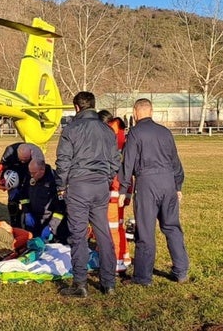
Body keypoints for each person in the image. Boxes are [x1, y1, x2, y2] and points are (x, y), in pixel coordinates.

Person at [55, 91, 120, 297]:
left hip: (78, 185)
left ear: (76, 107)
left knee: (78, 234)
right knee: (103, 233)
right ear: (93, 105)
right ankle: (108, 282)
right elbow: (115, 161)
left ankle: (80, 283)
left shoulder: (71, 128)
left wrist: (61, 185)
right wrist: (106, 178)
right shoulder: (107, 130)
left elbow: (63, 160)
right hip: (100, 185)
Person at [117, 98, 189, 286]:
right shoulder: (165, 132)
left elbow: (128, 162)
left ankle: (142, 277)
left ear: (135, 112)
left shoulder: (135, 133)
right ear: (152, 111)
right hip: (168, 181)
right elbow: (175, 162)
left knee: (145, 231)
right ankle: (181, 271)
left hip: (147, 183)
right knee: (172, 227)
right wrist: (177, 186)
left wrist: (124, 189)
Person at [98, 110, 132, 272]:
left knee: (111, 228)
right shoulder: (119, 138)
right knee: (117, 226)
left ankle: (117, 261)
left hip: (112, 190)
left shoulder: (109, 139)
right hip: (121, 190)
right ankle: (122, 256)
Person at [21, 158, 67, 244]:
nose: (31, 176)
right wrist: (27, 212)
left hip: (49, 220)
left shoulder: (56, 181)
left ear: (42, 170)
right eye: (30, 172)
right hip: (33, 219)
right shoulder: (30, 175)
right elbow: (24, 196)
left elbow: (61, 207)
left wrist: (51, 226)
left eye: (34, 173)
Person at [0, 142, 45, 226]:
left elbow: (39, 176)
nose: (22, 161)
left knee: (29, 197)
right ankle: (14, 223)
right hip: (14, 173)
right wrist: (5, 179)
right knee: (13, 200)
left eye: (24, 160)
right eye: (20, 159)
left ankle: (30, 221)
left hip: (29, 173)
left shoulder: (37, 156)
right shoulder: (9, 151)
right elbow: (1, 168)